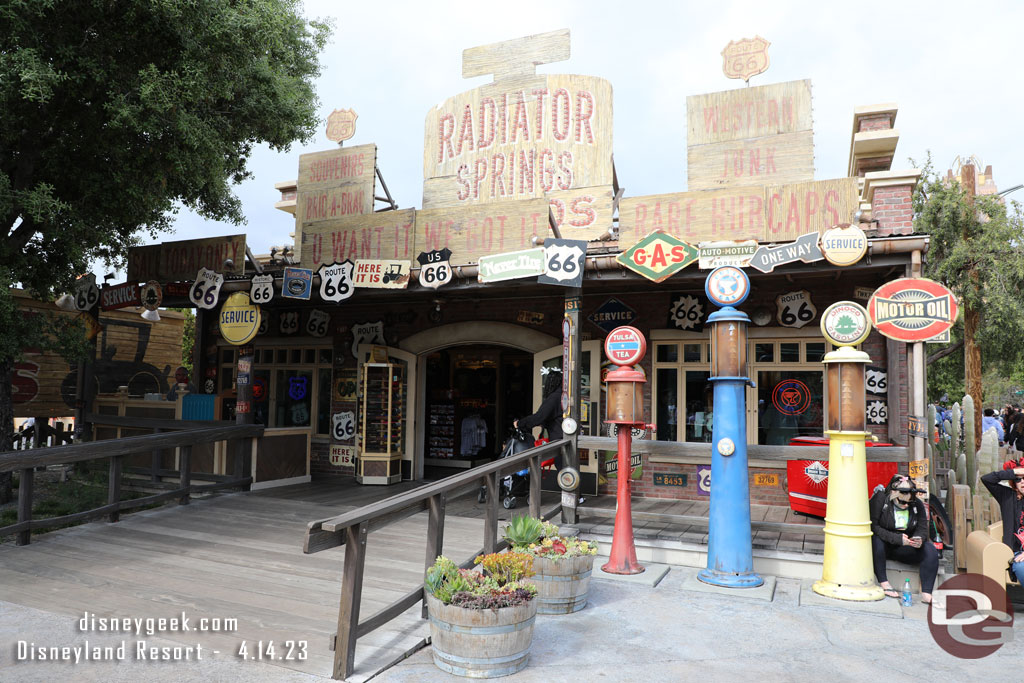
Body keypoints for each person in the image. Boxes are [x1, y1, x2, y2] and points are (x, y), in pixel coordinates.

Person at [869, 474, 940, 604]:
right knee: (876, 540)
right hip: (884, 543)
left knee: (930, 549)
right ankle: (884, 583)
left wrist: (918, 539)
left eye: (909, 502)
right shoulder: (881, 500)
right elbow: (873, 526)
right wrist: (896, 538)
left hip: (905, 545)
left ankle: (927, 593)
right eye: (902, 502)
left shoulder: (916, 505)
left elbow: (922, 527)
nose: (906, 505)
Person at [980, 463, 1024, 586]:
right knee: (1021, 568)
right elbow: (987, 479)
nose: (1022, 482)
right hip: (1015, 553)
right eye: (1018, 479)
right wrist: (1015, 471)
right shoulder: (1008, 496)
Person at [514, 366, 563, 468]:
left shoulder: (554, 398)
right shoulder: (563, 396)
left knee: (563, 472)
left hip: (559, 439)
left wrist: (520, 423)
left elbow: (539, 417)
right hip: (564, 438)